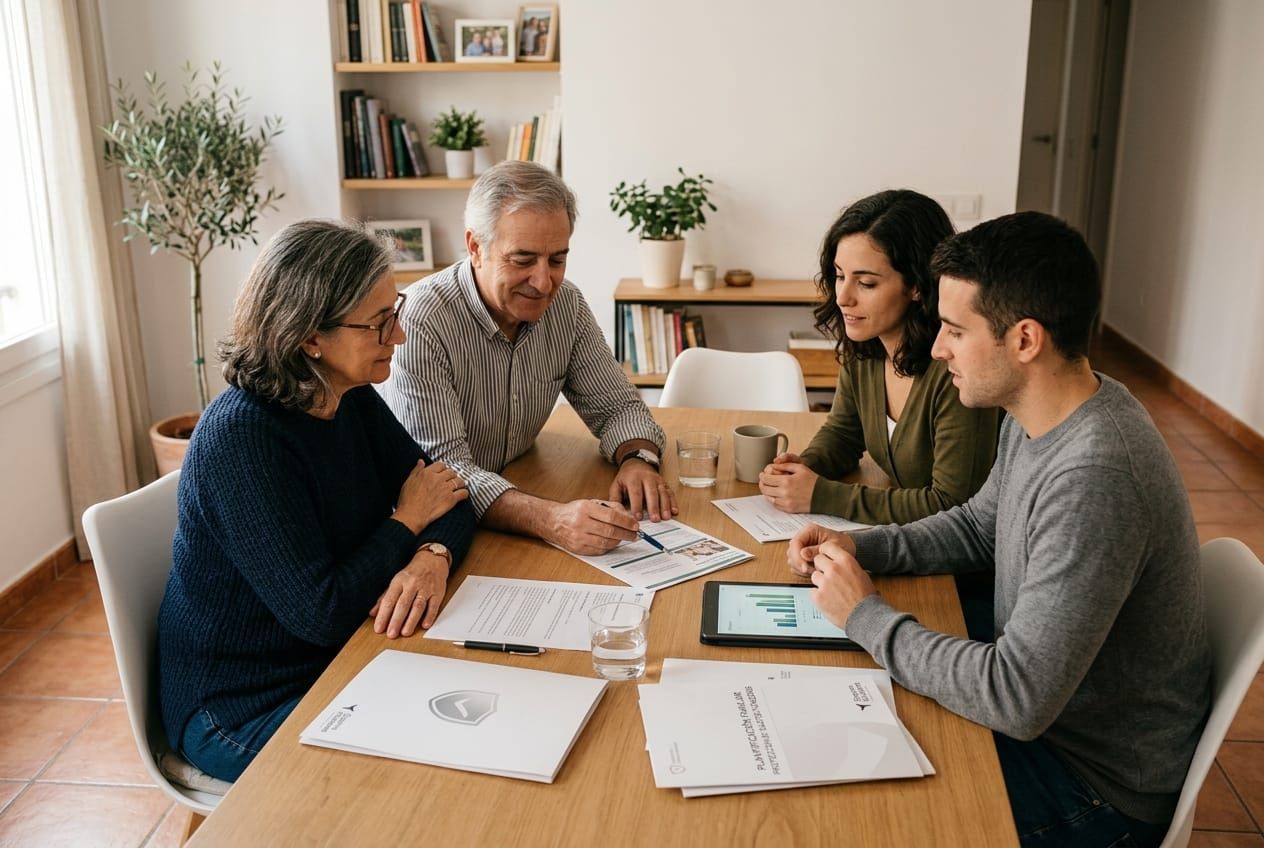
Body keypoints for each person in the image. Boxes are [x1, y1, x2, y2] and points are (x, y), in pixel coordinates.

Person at [789, 212, 1211, 847]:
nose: (937, 348)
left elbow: (1015, 696)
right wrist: (860, 546)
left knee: (848, 813)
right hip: (1046, 724)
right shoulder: (1041, 410)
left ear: (1025, 340)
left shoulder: (1096, 476)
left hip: (1091, 782)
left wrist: (865, 615)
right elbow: (977, 527)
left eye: (956, 330)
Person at [158, 220, 476, 782]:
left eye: (395, 312)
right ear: (310, 338)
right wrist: (406, 522)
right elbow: (321, 612)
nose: (399, 337)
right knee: (436, 764)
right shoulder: (243, 438)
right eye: (379, 323)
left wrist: (432, 556)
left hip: (342, 657)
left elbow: (449, 494)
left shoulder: (348, 396)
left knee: (473, 713)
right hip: (241, 706)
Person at [383, 161, 675, 556]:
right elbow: (446, 474)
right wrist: (551, 519)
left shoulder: (566, 304)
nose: (543, 282)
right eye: (522, 260)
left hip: (519, 490)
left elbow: (618, 407)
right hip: (436, 532)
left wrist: (637, 459)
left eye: (557, 260)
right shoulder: (422, 321)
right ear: (475, 248)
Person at [758, 190, 999, 524]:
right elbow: (844, 434)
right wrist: (801, 470)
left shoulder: (956, 371)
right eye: (839, 275)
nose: (842, 297)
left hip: (954, 554)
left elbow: (952, 505)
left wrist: (821, 494)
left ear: (917, 285)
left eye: (866, 283)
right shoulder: (866, 347)